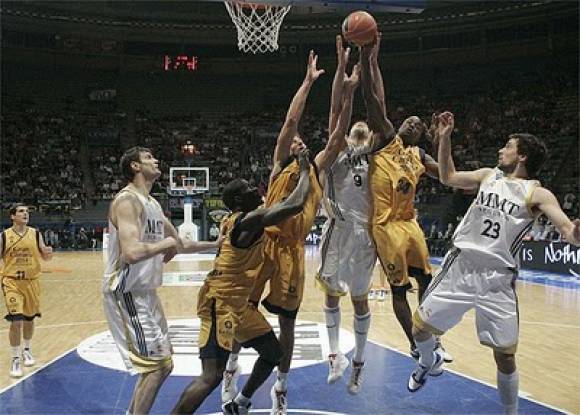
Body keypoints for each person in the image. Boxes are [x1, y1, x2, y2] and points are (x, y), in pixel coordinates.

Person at [408, 112, 580, 415]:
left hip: (497, 279)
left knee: (505, 356)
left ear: (522, 156)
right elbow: (448, 177)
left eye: (508, 146)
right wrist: (445, 139)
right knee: (419, 330)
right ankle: (428, 360)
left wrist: (576, 233)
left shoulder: (537, 193)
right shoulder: (489, 175)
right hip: (461, 266)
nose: (501, 150)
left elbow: (568, 231)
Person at [221, 50, 355, 415]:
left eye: (299, 141)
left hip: (292, 252)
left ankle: (280, 387)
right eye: (292, 140)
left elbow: (338, 136)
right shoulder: (280, 163)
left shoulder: (316, 169)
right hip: (264, 244)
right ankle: (230, 370)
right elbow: (291, 119)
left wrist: (348, 90)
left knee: (287, 323)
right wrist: (308, 82)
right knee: (243, 309)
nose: (296, 141)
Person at [172, 149, 312, 415]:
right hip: (221, 303)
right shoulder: (247, 221)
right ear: (238, 199)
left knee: (273, 353)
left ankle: (241, 403)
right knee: (210, 376)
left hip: (239, 305)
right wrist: (305, 169)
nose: (255, 190)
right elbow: (294, 206)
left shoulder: (237, 220)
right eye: (248, 188)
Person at [102, 146, 220, 415]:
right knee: (157, 366)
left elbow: (180, 244)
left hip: (146, 292)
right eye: (148, 158)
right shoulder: (127, 201)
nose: (155, 160)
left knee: (160, 366)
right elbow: (131, 252)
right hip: (126, 290)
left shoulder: (153, 204)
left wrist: (216, 243)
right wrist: (164, 244)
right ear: (135, 166)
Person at [357, 38, 452, 362]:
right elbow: (373, 99)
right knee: (398, 289)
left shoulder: (420, 155)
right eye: (409, 120)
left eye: (418, 124)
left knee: (426, 279)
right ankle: (414, 342)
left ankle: (426, 334)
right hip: (385, 225)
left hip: (409, 223)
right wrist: (367, 58)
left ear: (422, 134)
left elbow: (448, 176)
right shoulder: (385, 138)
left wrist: (441, 142)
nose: (412, 122)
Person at [315, 35, 375, 394]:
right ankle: (335, 355)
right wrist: (341, 72)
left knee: (360, 299)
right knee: (331, 294)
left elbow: (378, 107)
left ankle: (360, 363)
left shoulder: (376, 153)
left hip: (365, 234)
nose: (359, 126)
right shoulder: (336, 149)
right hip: (337, 228)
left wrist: (369, 64)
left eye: (363, 127)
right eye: (354, 126)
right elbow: (335, 111)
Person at [1, 204, 53, 378]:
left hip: (31, 282)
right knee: (16, 320)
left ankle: (27, 350)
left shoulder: (35, 234)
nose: (25, 214)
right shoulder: (4, 236)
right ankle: (15, 358)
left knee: (29, 320)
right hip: (12, 282)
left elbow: (46, 257)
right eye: (21, 211)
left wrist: (48, 253)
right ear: (12, 216)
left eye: (27, 212)